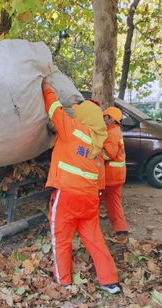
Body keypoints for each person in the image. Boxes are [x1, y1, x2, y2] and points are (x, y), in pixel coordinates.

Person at [42, 81, 120, 294]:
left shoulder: (73, 129)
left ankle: (63, 281)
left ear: (84, 117)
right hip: (89, 199)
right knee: (94, 238)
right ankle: (109, 281)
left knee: (61, 239)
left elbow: (54, 109)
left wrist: (46, 86)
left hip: (67, 196)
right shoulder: (97, 141)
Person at [101, 107, 129, 235]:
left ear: (111, 119)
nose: (103, 119)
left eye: (105, 116)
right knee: (113, 201)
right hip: (117, 175)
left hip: (111, 176)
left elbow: (108, 154)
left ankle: (88, 226)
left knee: (94, 199)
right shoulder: (116, 131)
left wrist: (95, 153)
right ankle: (120, 228)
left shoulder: (111, 133)